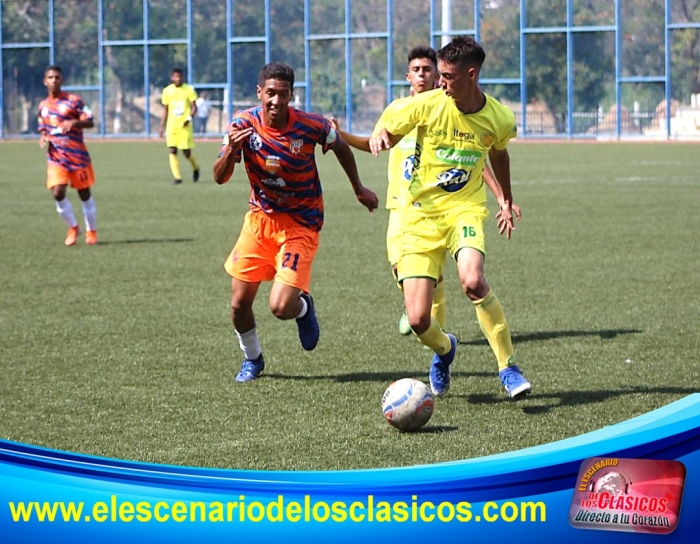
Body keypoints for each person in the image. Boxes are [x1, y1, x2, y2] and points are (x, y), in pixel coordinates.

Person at [369, 36, 532, 400]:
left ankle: (508, 367)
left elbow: (499, 154)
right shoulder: (428, 104)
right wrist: (381, 134)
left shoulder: (499, 118)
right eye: (439, 74)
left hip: (464, 210)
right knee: (418, 321)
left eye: (447, 76)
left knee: (473, 281)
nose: (439, 82)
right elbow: (390, 127)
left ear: (471, 75)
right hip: (419, 216)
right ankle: (446, 349)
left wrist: (506, 199)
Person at [332, 45, 520, 338]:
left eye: (428, 70)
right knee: (399, 268)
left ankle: (436, 329)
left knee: (435, 275)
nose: (422, 75)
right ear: (407, 76)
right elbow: (375, 142)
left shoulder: (447, 108)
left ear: (437, 74)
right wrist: (345, 135)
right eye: (416, 70)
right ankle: (419, 304)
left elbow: (472, 160)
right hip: (402, 202)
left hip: (442, 204)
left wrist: (501, 196)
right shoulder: (398, 110)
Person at [213, 62, 379, 383]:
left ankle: (302, 307)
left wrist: (358, 188)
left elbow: (340, 146)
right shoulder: (242, 125)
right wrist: (231, 149)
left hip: (301, 224)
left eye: (283, 94)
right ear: (259, 93)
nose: (276, 100)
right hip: (260, 221)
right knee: (238, 304)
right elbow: (220, 177)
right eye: (270, 93)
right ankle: (253, 359)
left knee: (280, 307)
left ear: (291, 96)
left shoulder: (310, 125)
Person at [37, 65, 98, 246]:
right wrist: (43, 137)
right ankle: (73, 227)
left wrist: (75, 122)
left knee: (84, 194)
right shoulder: (43, 106)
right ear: (45, 81)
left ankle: (91, 231)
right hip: (56, 157)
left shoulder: (74, 101)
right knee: (57, 192)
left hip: (77, 157)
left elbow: (90, 122)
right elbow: (43, 127)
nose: (54, 80)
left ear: (62, 80)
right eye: (50, 77)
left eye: (57, 77)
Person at [158, 68, 200, 184]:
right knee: (172, 150)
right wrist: (162, 126)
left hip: (184, 126)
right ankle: (177, 177)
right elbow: (166, 110)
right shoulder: (167, 91)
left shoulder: (188, 89)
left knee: (186, 152)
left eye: (180, 77)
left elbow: (194, 107)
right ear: (172, 78)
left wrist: (188, 118)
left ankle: (196, 167)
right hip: (172, 126)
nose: (178, 79)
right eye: (176, 77)